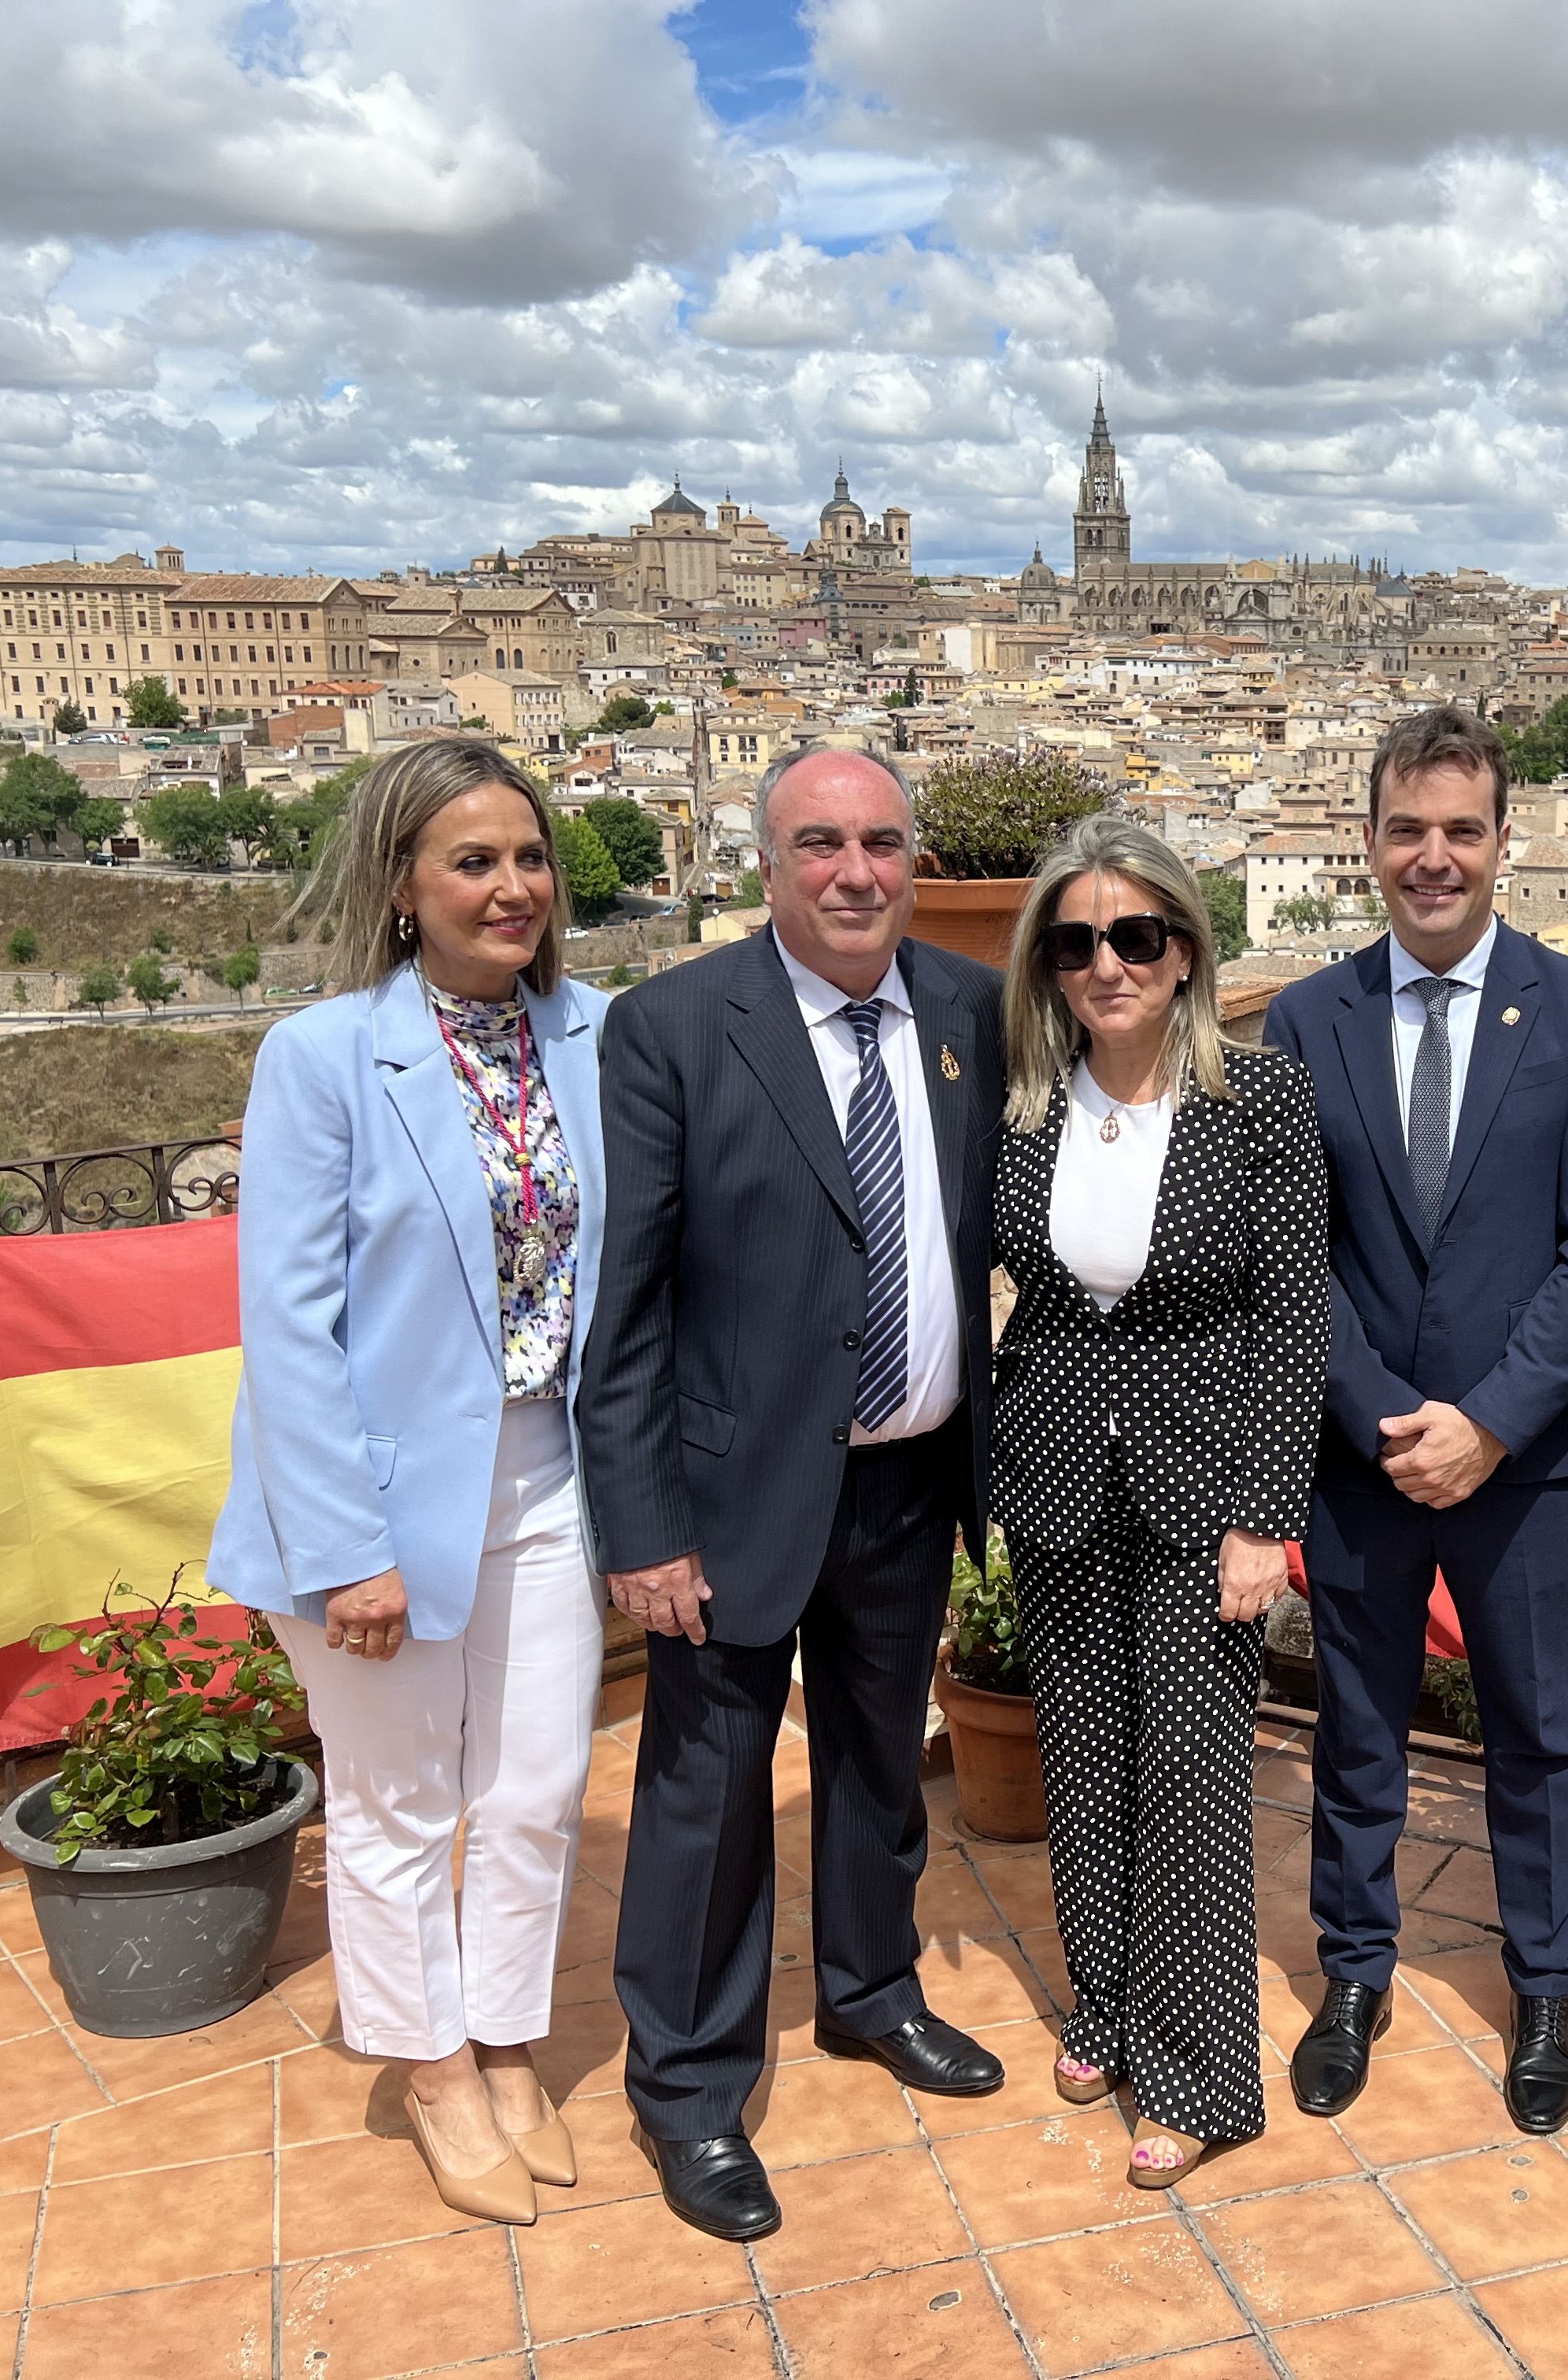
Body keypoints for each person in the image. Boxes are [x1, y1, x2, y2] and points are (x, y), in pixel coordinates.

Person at [578, 743, 1008, 2245]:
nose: (854, 874)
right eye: (819, 843)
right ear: (765, 862)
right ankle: (689, 2087)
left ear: (915, 860)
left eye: (883, 843)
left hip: (907, 1481)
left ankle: (871, 1993)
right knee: (703, 1801)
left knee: (884, 1772)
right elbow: (621, 1308)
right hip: (730, 1493)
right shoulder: (675, 1028)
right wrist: (640, 1529)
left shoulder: (966, 1010)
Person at [210, 740, 610, 2227]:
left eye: (527, 857)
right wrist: (343, 1551)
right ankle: (428, 2065)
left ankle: (504, 2036)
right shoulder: (322, 1057)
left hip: (551, 1469)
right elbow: (289, 1328)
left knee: (534, 1789)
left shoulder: (592, 1036)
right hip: (372, 1499)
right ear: (400, 885)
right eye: (472, 860)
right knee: (395, 1799)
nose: (512, 888)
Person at [1263, 704, 1568, 2136]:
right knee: (1355, 1726)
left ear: (1503, 843)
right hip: (1359, 1458)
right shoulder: (1310, 1017)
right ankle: (1354, 1974)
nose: (1435, 858)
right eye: (1408, 830)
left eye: (1462, 831)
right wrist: (1379, 1416)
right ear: (1369, 844)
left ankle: (1546, 1988)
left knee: (1536, 1730)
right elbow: (1295, 1255)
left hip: (1527, 1456)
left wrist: (1482, 1422)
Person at [989, 814, 1329, 2187]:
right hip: (1062, 1474)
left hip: (1211, 1497)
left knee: (1188, 1783)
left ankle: (1195, 2070)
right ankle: (1108, 2003)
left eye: (1135, 937)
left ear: (1185, 951)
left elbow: (1296, 1317)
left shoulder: (1261, 1103)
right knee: (1082, 1759)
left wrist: (1266, 1515)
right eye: (1075, 943)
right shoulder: (1019, 1102)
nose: (1105, 965)